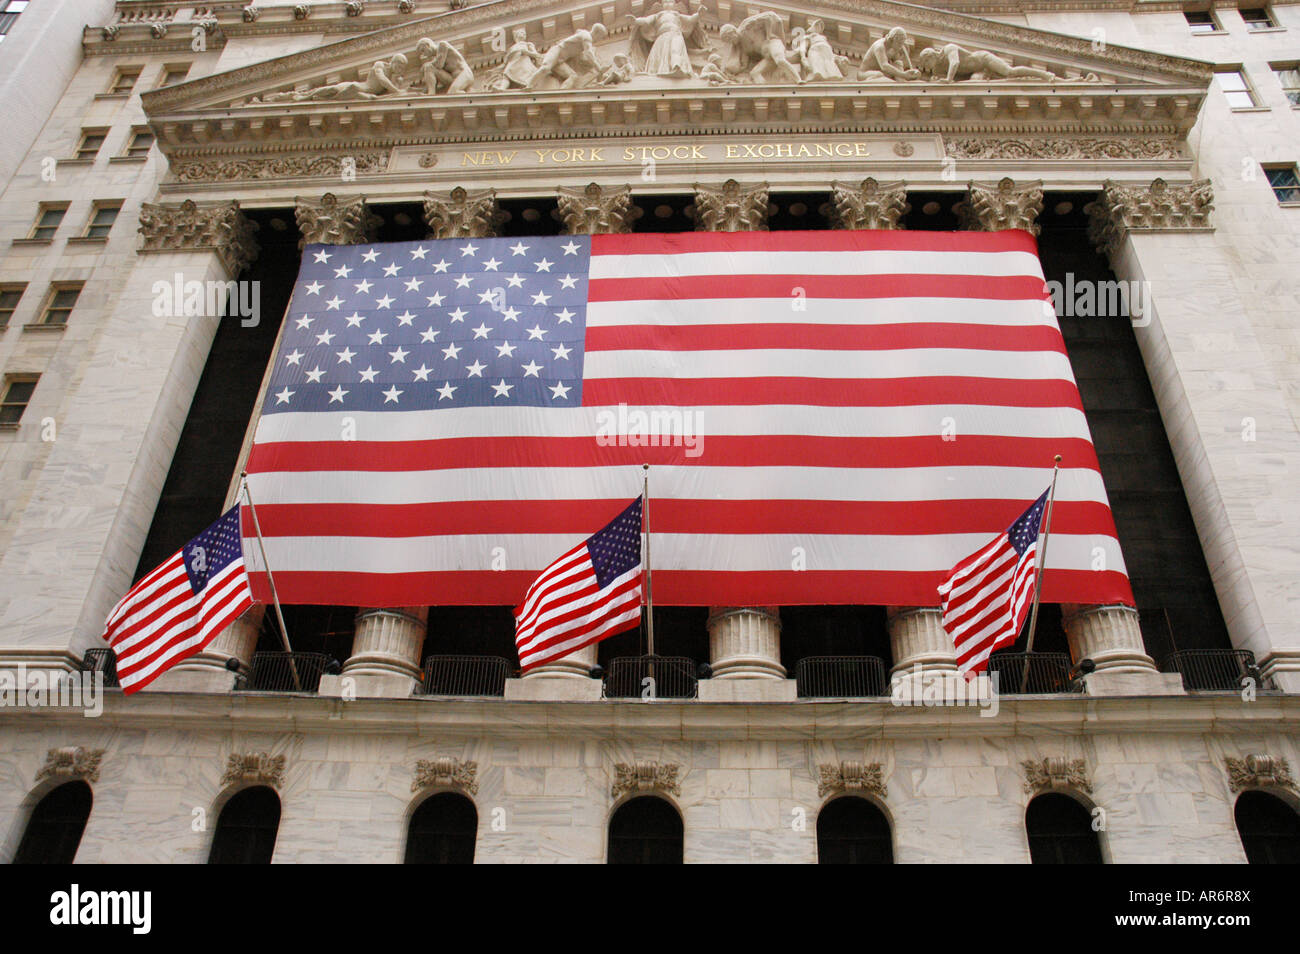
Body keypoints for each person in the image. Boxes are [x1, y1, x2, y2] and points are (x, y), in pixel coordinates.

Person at [627, 0, 709, 79]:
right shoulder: (659, 15)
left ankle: (677, 67)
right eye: (665, 2)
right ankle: (662, 70)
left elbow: (690, 19)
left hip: (675, 34)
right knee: (660, 54)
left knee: (675, 50)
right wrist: (636, 20)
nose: (667, 3)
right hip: (662, 37)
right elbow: (646, 21)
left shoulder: (676, 14)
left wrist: (699, 14)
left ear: (674, 4)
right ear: (662, 5)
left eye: (670, 1)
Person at [916, 43, 1056, 82]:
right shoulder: (938, 69)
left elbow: (955, 63)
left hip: (983, 60)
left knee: (1009, 72)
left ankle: (1044, 74)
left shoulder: (948, 49)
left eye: (927, 64)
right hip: (976, 72)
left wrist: (947, 79)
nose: (928, 68)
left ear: (931, 56)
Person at [528, 23, 609, 89]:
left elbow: (584, 58)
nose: (600, 39)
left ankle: (561, 96)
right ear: (597, 32)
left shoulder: (583, 40)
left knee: (573, 76)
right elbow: (589, 53)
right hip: (556, 52)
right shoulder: (586, 36)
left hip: (560, 61)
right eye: (601, 36)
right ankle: (528, 86)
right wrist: (599, 68)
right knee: (545, 68)